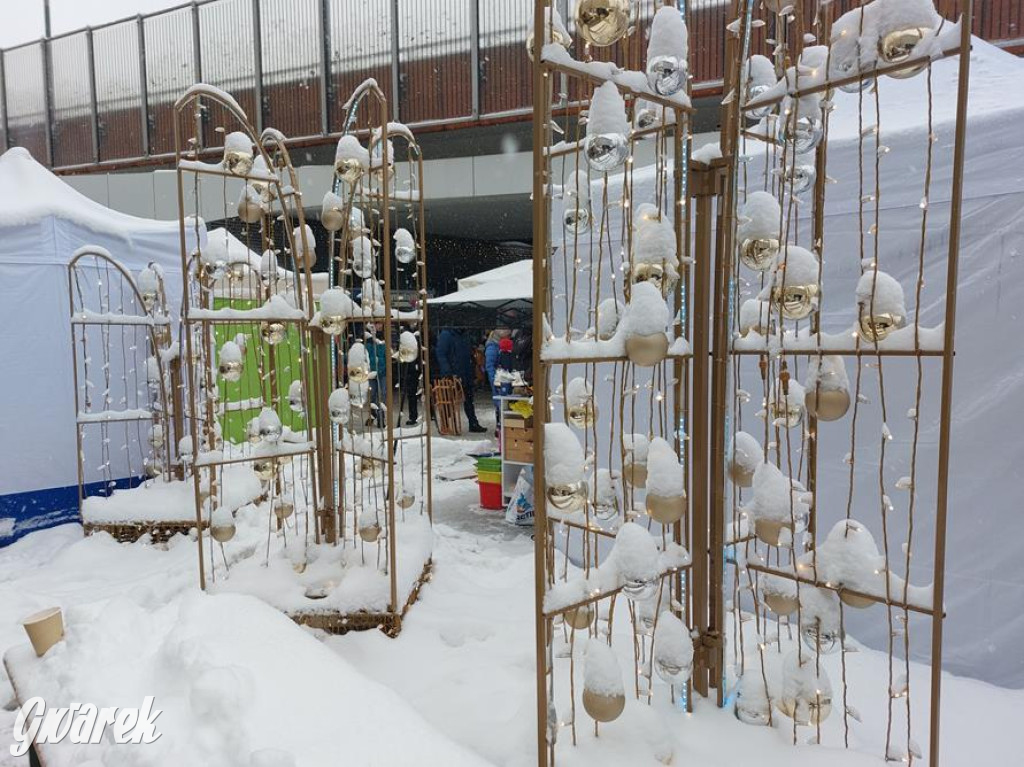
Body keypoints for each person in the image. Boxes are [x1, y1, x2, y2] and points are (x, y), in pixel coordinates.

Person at [436, 327, 486, 432]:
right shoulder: (447, 334)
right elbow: (441, 354)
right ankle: (445, 424)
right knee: (449, 401)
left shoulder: (464, 334)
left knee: (468, 400)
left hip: (465, 373)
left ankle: (473, 423)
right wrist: (447, 372)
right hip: (453, 374)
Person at [484, 328, 512, 428]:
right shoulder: (492, 347)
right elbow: (490, 366)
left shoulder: (497, 346)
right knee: (500, 403)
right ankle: (500, 426)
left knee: (501, 403)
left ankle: (501, 426)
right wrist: (494, 381)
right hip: (499, 380)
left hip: (501, 379)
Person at [365, 324, 388, 428]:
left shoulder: (384, 339)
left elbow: (385, 356)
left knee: (381, 394)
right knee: (372, 395)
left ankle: (380, 418)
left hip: (382, 372)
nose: (378, 326)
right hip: (372, 372)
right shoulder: (368, 341)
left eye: (380, 324)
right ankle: (374, 415)